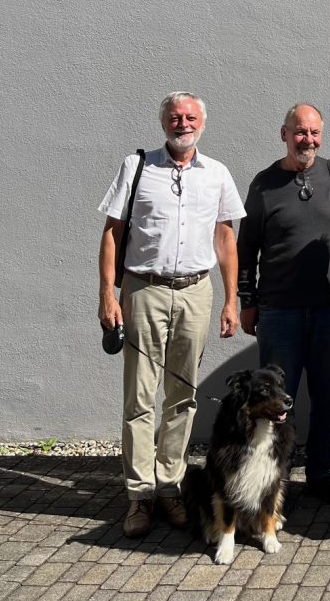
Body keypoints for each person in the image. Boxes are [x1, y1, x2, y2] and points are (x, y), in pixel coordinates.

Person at [98, 92, 245, 538]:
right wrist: (108, 293)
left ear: (203, 123)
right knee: (139, 399)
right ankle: (139, 497)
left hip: (195, 293)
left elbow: (225, 240)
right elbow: (112, 232)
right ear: (163, 122)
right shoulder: (136, 166)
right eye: (175, 117)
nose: (183, 123)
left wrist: (230, 299)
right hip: (143, 290)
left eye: (191, 117)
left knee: (182, 396)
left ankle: (170, 486)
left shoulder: (216, 173)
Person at [236, 103, 330, 503]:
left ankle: (322, 472)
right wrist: (248, 299)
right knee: (275, 401)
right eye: (300, 132)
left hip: (329, 308)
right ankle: (276, 476)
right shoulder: (263, 183)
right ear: (284, 133)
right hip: (279, 311)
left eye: (314, 132)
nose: (308, 139)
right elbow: (247, 245)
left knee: (328, 397)